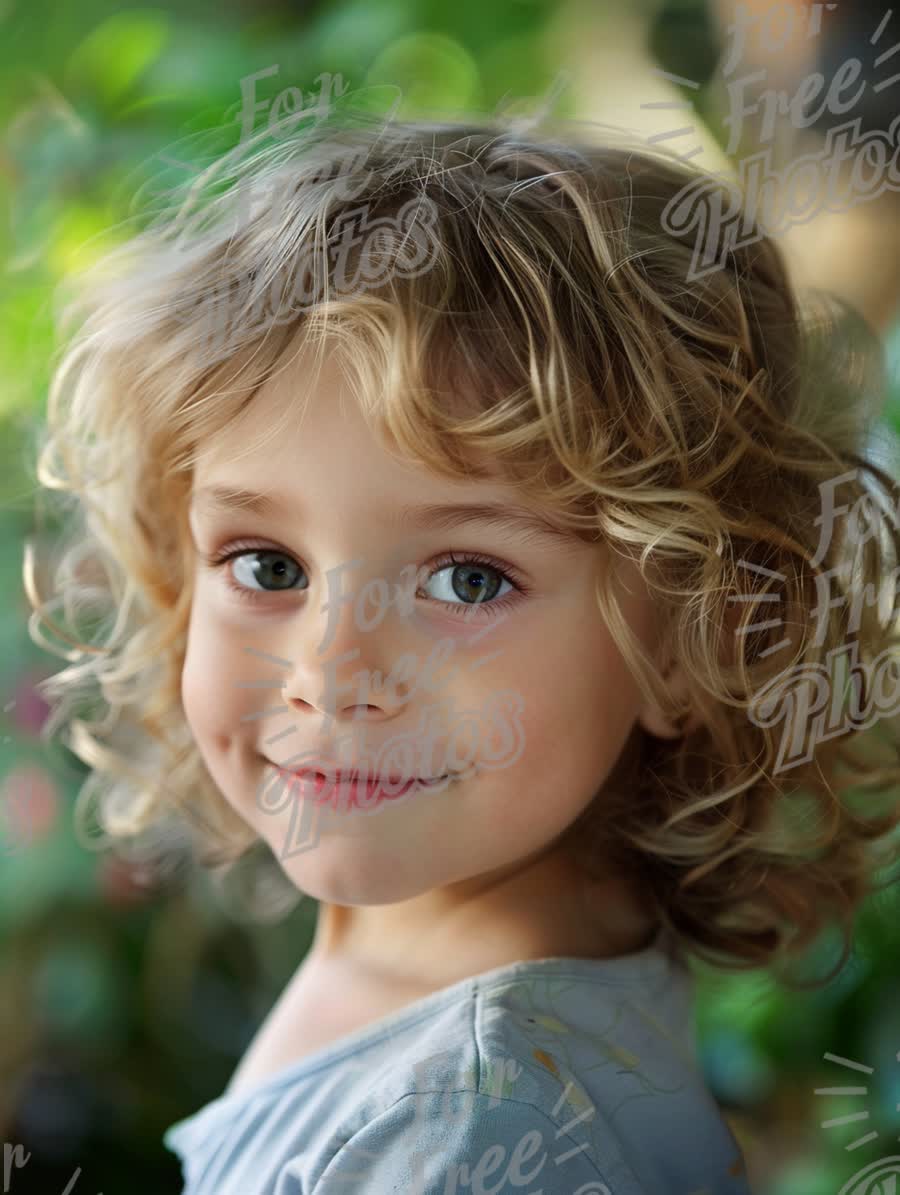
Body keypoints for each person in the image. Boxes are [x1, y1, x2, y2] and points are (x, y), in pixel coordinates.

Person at [25, 107, 900, 1194]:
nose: (331, 671)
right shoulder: (464, 970)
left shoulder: (466, 1135)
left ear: (689, 642)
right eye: (265, 565)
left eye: (467, 579)